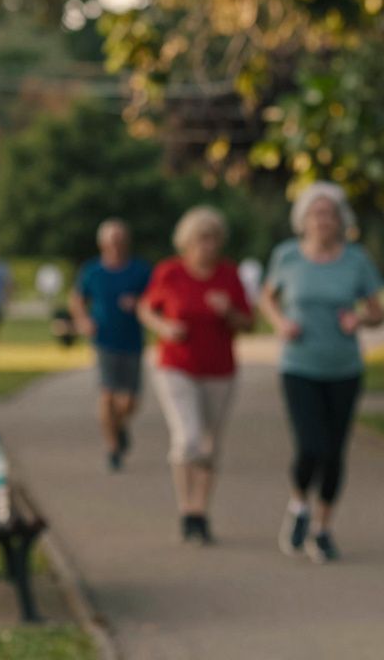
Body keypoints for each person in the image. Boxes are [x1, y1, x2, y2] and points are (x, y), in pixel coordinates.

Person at [258, 182, 384, 563]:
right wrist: (280, 323)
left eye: (329, 214)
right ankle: (299, 505)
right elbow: (267, 297)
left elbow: (377, 311)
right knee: (311, 446)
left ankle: (323, 528)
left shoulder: (356, 260)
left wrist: (358, 318)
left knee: (334, 452)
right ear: (304, 219)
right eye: (316, 213)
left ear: (340, 220)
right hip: (299, 365)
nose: (322, 220)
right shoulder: (286, 257)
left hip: (344, 367)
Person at [138, 206, 252, 544]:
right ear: (187, 242)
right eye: (201, 238)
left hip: (219, 371)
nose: (208, 245)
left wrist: (228, 311)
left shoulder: (229, 276)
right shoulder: (169, 273)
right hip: (176, 367)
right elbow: (146, 308)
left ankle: (200, 511)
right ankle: (185, 506)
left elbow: (247, 322)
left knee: (210, 443)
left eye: (214, 239)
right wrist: (164, 327)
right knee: (187, 438)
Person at [70, 219, 152, 471]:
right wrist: (83, 321)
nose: (115, 245)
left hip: (132, 340)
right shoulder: (92, 271)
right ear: (102, 243)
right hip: (103, 340)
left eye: (119, 240)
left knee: (129, 401)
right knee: (107, 394)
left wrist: (138, 302)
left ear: (126, 242)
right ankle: (113, 448)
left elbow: (156, 301)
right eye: (110, 240)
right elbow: (77, 299)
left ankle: (119, 426)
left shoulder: (140, 270)